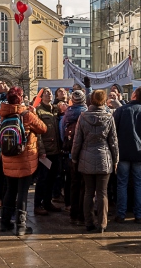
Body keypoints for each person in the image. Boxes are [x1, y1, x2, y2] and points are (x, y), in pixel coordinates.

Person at [0, 87, 47, 235]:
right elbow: (43, 128)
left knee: (10, 190)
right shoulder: (27, 114)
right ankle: (21, 226)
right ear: (21, 98)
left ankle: (5, 222)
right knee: (23, 192)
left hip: (8, 157)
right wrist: (33, 113)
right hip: (25, 158)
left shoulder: (4, 113)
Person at [71, 89, 119, 233]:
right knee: (102, 192)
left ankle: (88, 222)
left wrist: (74, 157)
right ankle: (103, 223)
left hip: (86, 157)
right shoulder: (109, 117)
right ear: (104, 100)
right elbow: (113, 141)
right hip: (104, 157)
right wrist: (116, 159)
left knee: (88, 192)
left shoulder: (83, 117)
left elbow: (77, 141)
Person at [113, 87, 141, 223]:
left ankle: (121, 214)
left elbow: (113, 131)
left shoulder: (121, 110)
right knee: (139, 183)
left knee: (122, 183)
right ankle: (139, 215)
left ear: (133, 95)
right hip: (140, 152)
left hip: (123, 152)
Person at [34, 88, 63, 216]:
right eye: (46, 93)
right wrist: (41, 150)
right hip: (46, 151)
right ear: (41, 96)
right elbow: (37, 133)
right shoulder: (38, 111)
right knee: (43, 179)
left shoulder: (55, 110)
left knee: (52, 178)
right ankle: (38, 204)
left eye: (50, 93)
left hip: (55, 150)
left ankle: (48, 202)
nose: (49, 95)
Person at [61, 90, 88, 225]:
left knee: (73, 183)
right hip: (83, 153)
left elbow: (62, 132)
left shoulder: (67, 113)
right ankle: (82, 215)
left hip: (70, 153)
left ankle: (73, 213)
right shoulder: (85, 112)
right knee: (84, 185)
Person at [52, 88, 69, 206]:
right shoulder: (55, 108)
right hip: (59, 144)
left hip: (66, 145)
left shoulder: (71, 106)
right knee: (58, 172)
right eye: (60, 91)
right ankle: (57, 194)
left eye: (64, 91)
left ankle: (61, 192)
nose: (63, 92)